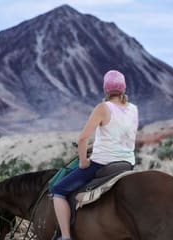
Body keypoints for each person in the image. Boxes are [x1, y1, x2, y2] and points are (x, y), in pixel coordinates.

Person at [50, 70, 139, 240]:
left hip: (102, 164)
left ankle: (66, 237)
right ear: (124, 88)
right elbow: (120, 135)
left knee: (58, 190)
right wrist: (96, 145)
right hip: (127, 164)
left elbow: (82, 138)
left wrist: (83, 161)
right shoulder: (133, 109)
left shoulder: (103, 107)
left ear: (106, 89)